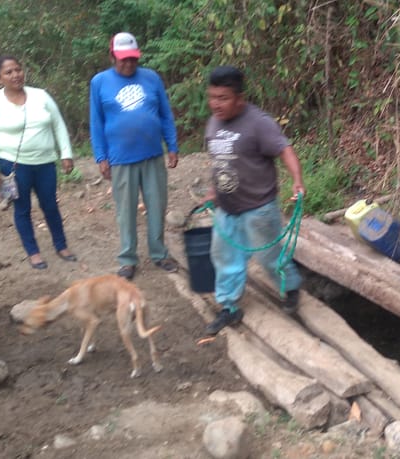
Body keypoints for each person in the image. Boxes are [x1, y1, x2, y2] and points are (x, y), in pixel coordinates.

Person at [201, 66, 306, 335]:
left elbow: (285, 150)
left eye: (223, 98)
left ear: (240, 98)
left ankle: (290, 288)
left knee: (269, 257)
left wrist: (297, 180)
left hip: (258, 208)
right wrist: (213, 191)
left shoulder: (258, 122)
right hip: (227, 207)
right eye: (212, 97)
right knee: (224, 257)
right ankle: (229, 307)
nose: (216, 104)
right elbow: (219, 161)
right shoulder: (213, 122)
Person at [90, 32, 180, 280]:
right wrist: (101, 156)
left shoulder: (151, 78)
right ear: (112, 56)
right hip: (120, 157)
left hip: (152, 154)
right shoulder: (100, 82)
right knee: (126, 211)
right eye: (123, 59)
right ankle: (128, 259)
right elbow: (96, 122)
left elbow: (165, 114)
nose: (129, 64)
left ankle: (159, 253)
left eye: (133, 58)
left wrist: (172, 146)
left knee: (157, 206)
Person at [0, 55, 77, 270]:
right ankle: (33, 252)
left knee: (50, 205)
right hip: (13, 167)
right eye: (8, 72)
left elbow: (58, 125)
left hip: (45, 163)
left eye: (18, 70)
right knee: (22, 208)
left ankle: (61, 246)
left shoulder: (41, 96)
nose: (15, 75)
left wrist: (66, 154)